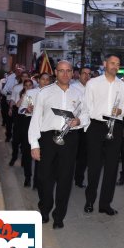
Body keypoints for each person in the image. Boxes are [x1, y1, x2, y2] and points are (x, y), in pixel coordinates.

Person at [29, 61, 86, 229]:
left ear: (72, 73)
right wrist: (34, 144)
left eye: (68, 71)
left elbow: (87, 114)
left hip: (69, 139)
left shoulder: (78, 93)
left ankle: (59, 215)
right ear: (55, 72)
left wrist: (79, 121)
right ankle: (45, 209)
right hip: (48, 138)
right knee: (44, 177)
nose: (65, 74)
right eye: (61, 71)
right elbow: (36, 119)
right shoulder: (44, 93)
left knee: (65, 179)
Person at [83, 54, 124, 216]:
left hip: (116, 126)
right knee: (94, 167)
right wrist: (88, 128)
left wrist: (121, 111)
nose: (115, 66)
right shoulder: (92, 83)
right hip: (97, 126)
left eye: (117, 64)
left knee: (111, 168)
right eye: (112, 63)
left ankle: (105, 204)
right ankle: (90, 201)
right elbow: (87, 107)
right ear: (105, 64)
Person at [72, 67, 91, 188]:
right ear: (79, 75)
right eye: (84, 73)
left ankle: (79, 179)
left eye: (89, 74)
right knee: (72, 154)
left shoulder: (92, 88)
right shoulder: (73, 87)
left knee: (84, 155)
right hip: (75, 126)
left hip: (88, 126)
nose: (86, 76)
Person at [16, 79, 37, 187]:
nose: (29, 87)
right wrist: (27, 109)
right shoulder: (26, 95)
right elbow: (19, 109)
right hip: (27, 123)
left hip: (39, 124)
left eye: (30, 85)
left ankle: (37, 180)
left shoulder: (38, 93)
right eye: (27, 85)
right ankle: (28, 177)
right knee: (27, 151)